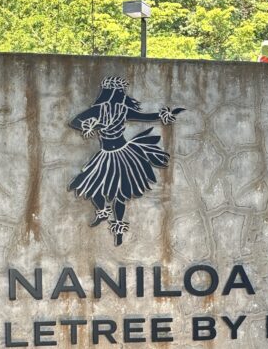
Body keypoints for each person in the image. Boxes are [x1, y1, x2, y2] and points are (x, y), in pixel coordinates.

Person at [68, 76, 184, 245]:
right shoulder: (98, 110)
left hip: (123, 154)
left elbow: (144, 117)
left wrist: (162, 115)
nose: (121, 94)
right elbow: (75, 121)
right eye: (118, 92)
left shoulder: (123, 109)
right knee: (89, 185)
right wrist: (94, 125)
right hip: (105, 155)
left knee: (119, 193)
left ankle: (119, 230)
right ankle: (102, 211)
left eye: (121, 92)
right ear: (111, 92)